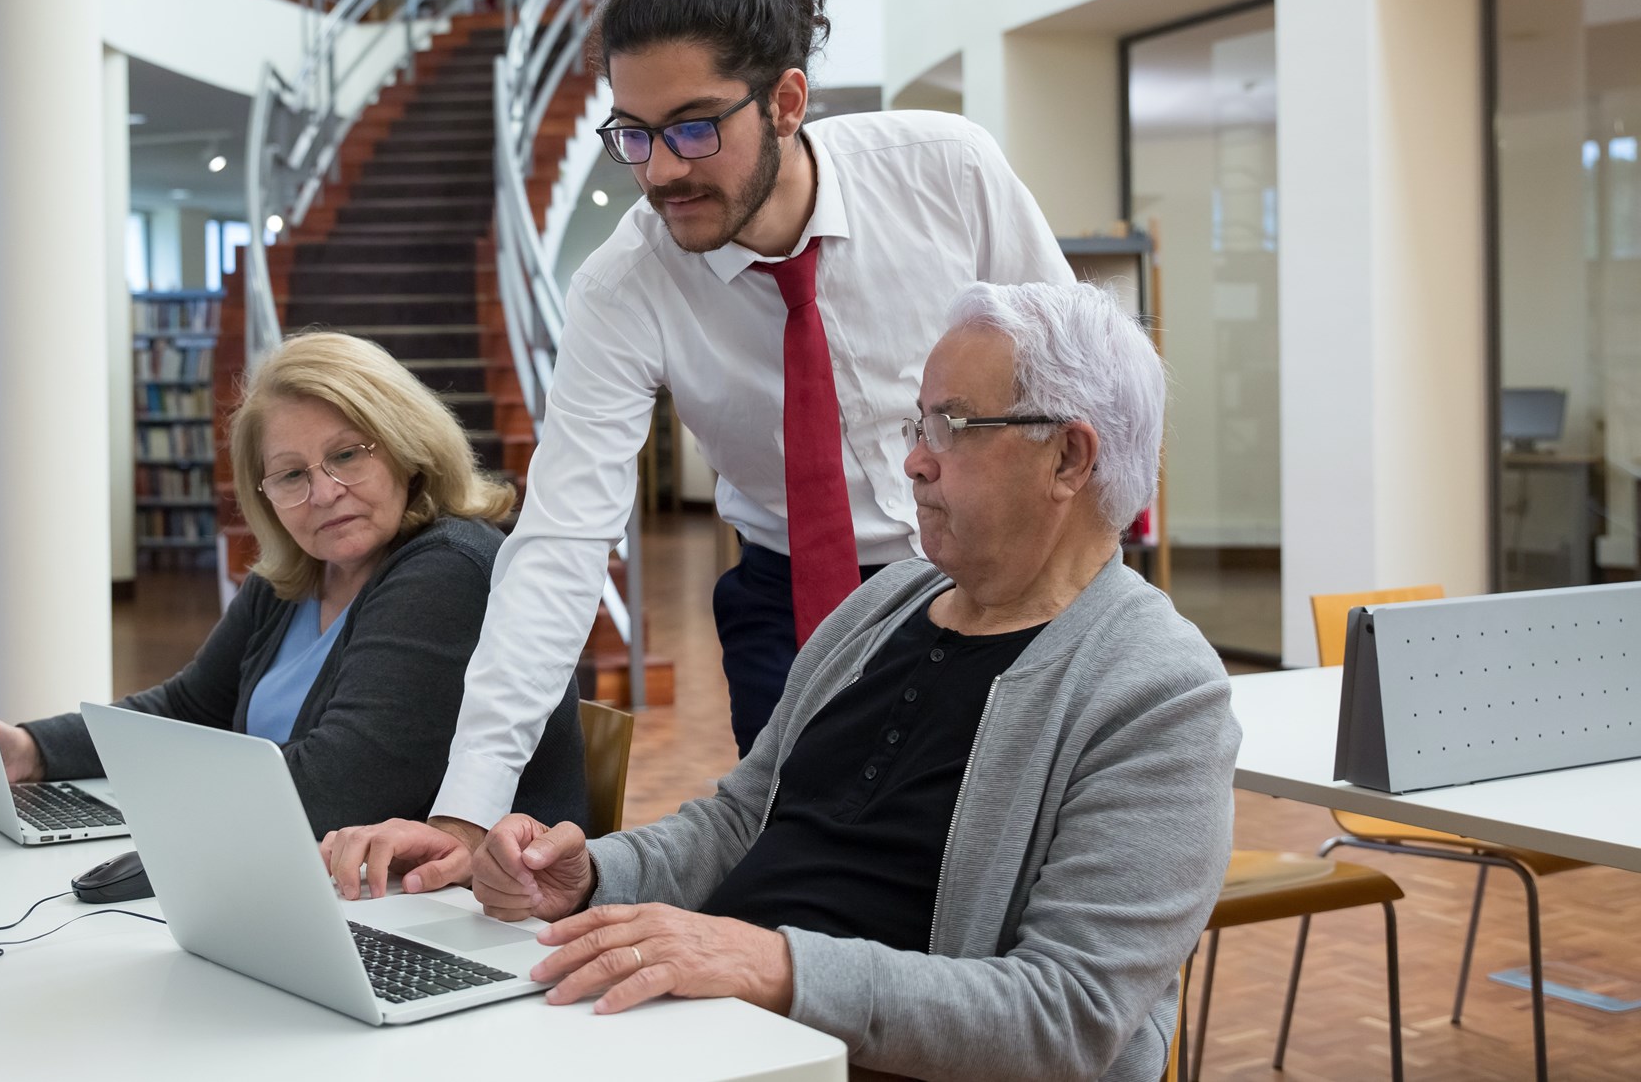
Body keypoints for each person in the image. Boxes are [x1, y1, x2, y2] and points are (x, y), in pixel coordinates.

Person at [326, 0, 1077, 885]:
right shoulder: (624, 285)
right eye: (630, 136)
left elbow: (1081, 390)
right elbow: (558, 545)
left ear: (785, 102)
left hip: (992, 568)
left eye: (689, 130)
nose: (658, 172)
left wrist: (1096, 596)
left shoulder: (946, 172)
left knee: (1005, 870)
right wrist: (468, 809)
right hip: (786, 593)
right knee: (809, 872)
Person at [457, 281, 1238, 1082]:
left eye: (952, 425)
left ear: (1069, 457)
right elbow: (739, 823)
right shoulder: (886, 603)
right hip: (717, 1036)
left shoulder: (1158, 689)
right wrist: (594, 872)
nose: (915, 458)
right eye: (918, 421)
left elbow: (1064, 1017)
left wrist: (777, 967)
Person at [0, 330, 589, 836]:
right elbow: (187, 707)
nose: (323, 492)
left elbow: (337, 787)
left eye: (348, 454)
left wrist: (150, 807)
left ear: (407, 446)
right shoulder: (295, 576)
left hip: (464, 924)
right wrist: (34, 749)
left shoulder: (449, 568)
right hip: (323, 889)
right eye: (292, 474)